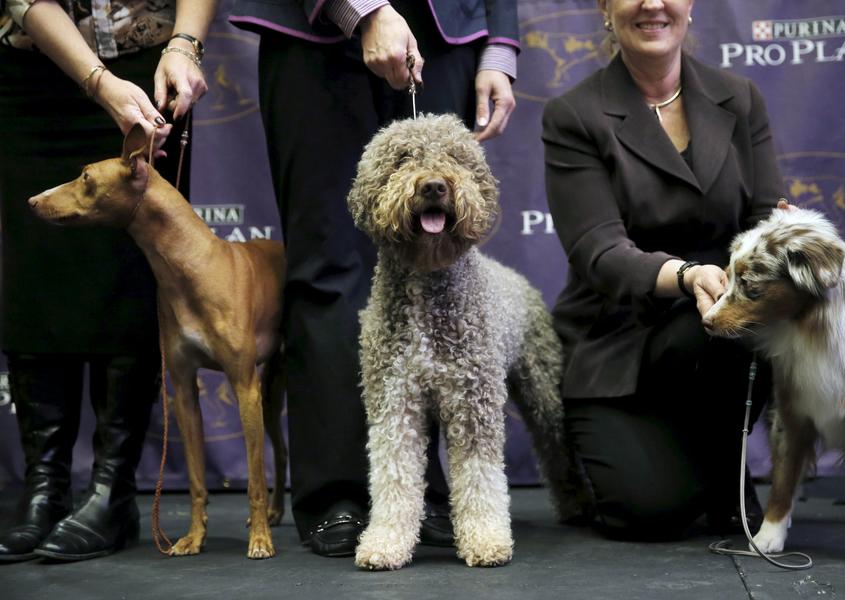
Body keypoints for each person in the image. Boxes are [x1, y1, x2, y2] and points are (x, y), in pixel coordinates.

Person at [227, 0, 518, 556]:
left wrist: (499, 48)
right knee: (327, 262)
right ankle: (337, 492)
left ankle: (432, 495)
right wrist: (359, 10)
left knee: (441, 257)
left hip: (443, 30)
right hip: (312, 37)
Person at [541, 0, 782, 539]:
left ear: (690, 6)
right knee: (649, 514)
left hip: (717, 330)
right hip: (617, 342)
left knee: (746, 322)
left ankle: (722, 461)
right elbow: (598, 251)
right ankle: (709, 463)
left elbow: (764, 217)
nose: (652, 3)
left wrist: (771, 247)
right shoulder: (573, 115)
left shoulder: (739, 99)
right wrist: (690, 274)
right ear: (606, 8)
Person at [0, 0, 216, 561]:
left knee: (132, 278)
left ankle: (111, 494)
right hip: (35, 69)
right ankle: (45, 490)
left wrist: (184, 46)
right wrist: (97, 82)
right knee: (36, 275)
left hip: (152, 69)